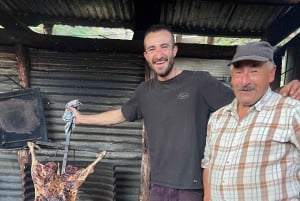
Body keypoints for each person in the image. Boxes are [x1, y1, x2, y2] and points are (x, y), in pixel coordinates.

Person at [68, 25, 300, 201]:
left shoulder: (200, 82)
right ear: (146, 56)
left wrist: (280, 91)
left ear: (174, 50)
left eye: (164, 46)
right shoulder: (144, 91)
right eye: (152, 49)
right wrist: (82, 119)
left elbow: (245, 98)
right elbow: (120, 114)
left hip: (194, 188)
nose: (158, 54)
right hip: (158, 186)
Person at [201, 41, 300, 201]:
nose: (244, 81)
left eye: (254, 71)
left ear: (271, 73)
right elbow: (208, 164)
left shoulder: (291, 111)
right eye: (239, 72)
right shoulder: (218, 118)